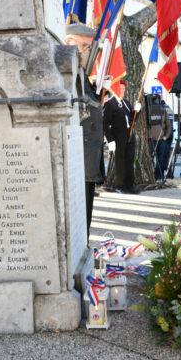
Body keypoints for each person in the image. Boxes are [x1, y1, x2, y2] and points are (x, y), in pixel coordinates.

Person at [65, 23, 106, 239]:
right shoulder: (67, 74)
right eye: (83, 46)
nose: (87, 52)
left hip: (87, 164)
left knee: (85, 226)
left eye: (89, 47)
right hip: (77, 164)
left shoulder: (81, 75)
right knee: (79, 230)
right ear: (67, 43)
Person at [103, 80, 141, 193]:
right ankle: (120, 185)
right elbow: (105, 124)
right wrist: (110, 140)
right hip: (118, 137)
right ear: (114, 89)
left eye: (124, 88)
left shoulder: (126, 102)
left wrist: (136, 111)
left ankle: (130, 184)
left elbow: (131, 120)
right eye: (120, 88)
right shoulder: (110, 103)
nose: (123, 90)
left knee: (129, 160)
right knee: (120, 162)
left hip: (129, 136)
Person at [149, 96, 171, 180]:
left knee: (160, 159)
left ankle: (157, 176)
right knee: (150, 159)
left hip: (161, 139)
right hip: (150, 139)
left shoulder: (163, 110)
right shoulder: (148, 110)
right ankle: (151, 176)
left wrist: (166, 136)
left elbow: (168, 125)